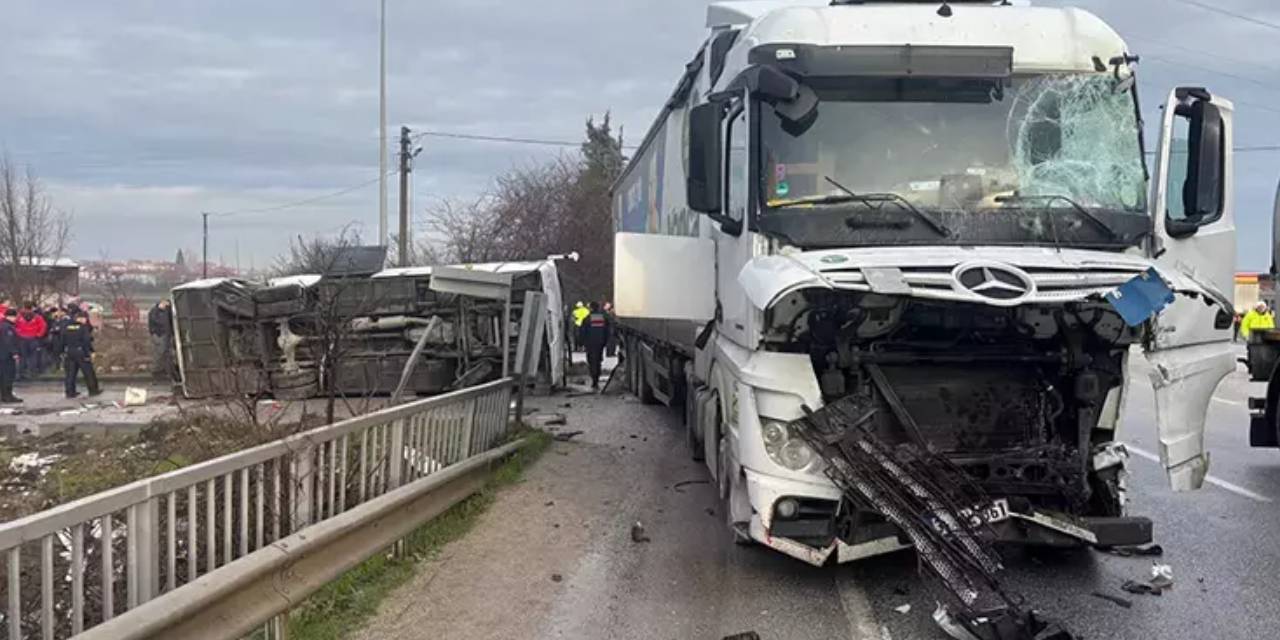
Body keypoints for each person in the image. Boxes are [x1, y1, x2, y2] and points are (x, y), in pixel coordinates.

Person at [58, 310, 100, 398]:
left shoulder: (66, 326)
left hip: (69, 351)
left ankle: (70, 392)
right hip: (81, 351)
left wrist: (61, 351)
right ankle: (93, 390)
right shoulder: (83, 327)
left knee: (70, 373)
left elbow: (61, 340)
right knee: (88, 372)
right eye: (85, 318)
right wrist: (90, 351)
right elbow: (86, 341)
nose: (86, 320)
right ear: (81, 318)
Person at [581, 301, 612, 391]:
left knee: (591, 361)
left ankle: (594, 379)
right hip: (600, 343)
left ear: (591, 308)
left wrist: (582, 342)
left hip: (590, 344)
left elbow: (583, 332)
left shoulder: (587, 319)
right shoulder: (603, 318)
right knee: (598, 361)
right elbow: (607, 331)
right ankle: (596, 378)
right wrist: (605, 342)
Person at [15, 303, 47, 380]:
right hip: (33, 338)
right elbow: (43, 326)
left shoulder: (19, 317)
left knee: (22, 357)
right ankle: (32, 373)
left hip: (22, 339)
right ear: (32, 308)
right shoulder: (37, 317)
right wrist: (39, 335)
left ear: (23, 307)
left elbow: (14, 326)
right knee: (33, 356)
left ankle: (21, 373)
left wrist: (18, 334)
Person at [148, 299, 177, 381]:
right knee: (161, 352)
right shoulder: (155, 312)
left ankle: (168, 372)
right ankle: (157, 372)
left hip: (167, 335)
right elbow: (159, 322)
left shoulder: (167, 311)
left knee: (167, 354)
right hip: (159, 334)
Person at [0, 310, 21, 403]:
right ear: (10, 316)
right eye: (15, 317)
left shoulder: (4, 325)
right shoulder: (7, 327)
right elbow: (9, 342)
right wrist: (14, 353)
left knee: (5, 375)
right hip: (6, 356)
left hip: (3, 354)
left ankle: (6, 395)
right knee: (7, 375)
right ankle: (7, 396)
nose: (16, 319)